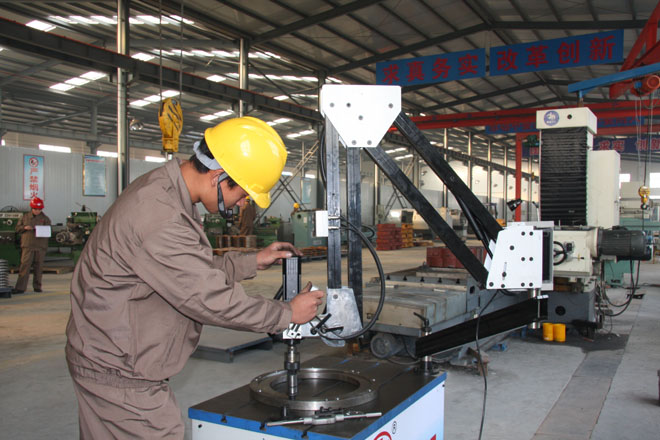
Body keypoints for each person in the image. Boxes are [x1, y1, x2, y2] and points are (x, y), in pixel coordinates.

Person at [65, 116, 325, 438]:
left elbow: (187, 272)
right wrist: (286, 314)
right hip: (120, 371)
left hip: (113, 358)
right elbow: (209, 299)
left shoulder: (168, 192)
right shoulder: (159, 215)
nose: (244, 203)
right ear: (219, 177)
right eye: (244, 193)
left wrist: (252, 261)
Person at [14, 196, 51, 294]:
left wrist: (36, 228)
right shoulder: (25, 217)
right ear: (32, 208)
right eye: (35, 209)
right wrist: (24, 227)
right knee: (25, 266)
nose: (37, 211)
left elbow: (48, 230)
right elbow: (17, 228)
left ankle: (37, 286)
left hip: (40, 246)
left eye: (39, 209)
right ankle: (20, 287)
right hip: (28, 245)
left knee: (38, 267)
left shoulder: (45, 219)